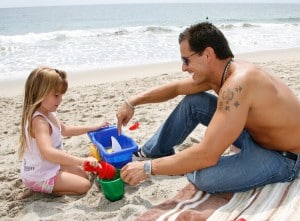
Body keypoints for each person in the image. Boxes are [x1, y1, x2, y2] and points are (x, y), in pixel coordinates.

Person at [117, 22, 300, 193]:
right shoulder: (223, 73)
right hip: (254, 136)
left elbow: (207, 155)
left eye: (186, 60)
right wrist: (131, 102)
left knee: (205, 177)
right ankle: (152, 153)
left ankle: (165, 163)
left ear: (208, 55)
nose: (183, 68)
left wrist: (149, 169)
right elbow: (176, 88)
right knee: (193, 102)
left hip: (284, 157)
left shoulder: (239, 83)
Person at [19, 67, 109, 196]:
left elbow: (65, 130)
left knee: (83, 174)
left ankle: (55, 182)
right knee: (85, 185)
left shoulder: (49, 113)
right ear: (39, 93)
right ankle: (44, 190)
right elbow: (48, 152)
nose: (60, 99)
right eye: (56, 95)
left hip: (51, 165)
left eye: (61, 95)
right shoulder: (39, 121)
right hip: (39, 175)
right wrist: (82, 160)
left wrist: (93, 127)